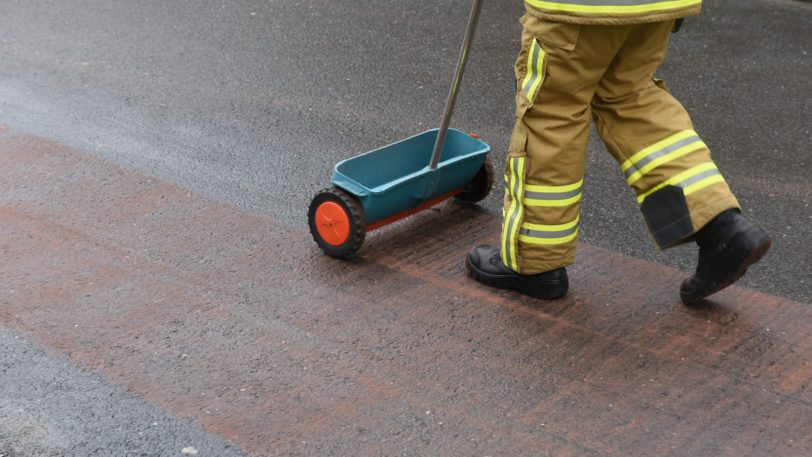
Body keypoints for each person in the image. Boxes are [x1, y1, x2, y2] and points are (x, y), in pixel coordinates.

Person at [464, 0, 771, 304]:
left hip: (580, 9)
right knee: (629, 95)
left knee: (554, 110)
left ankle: (533, 262)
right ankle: (720, 226)